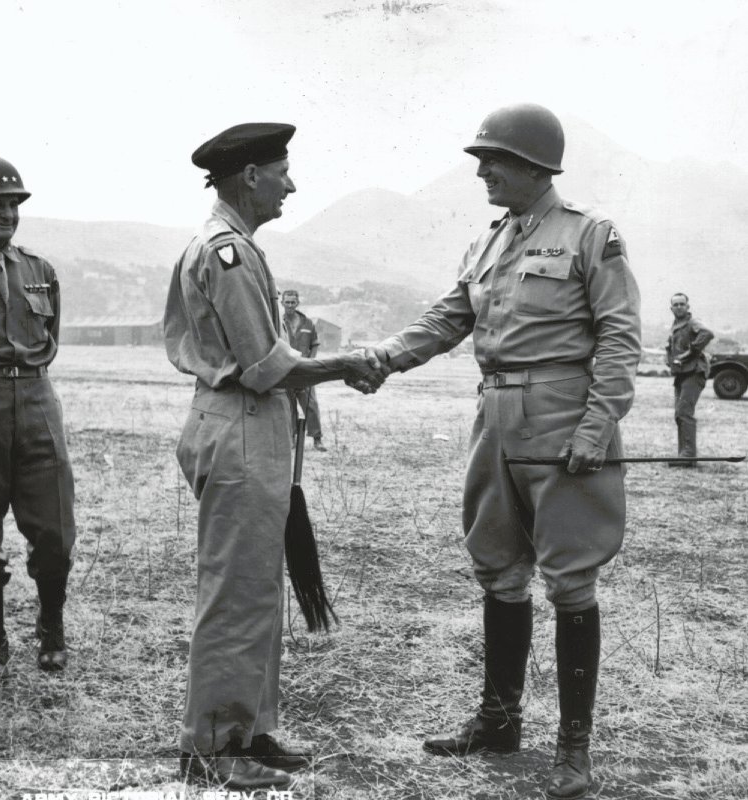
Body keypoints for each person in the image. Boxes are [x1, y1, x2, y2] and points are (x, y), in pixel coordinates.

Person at [361, 104, 641, 799]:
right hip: (493, 414)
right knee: (496, 568)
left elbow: (618, 339)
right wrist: (382, 358)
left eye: (492, 159)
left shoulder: (589, 236)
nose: (481, 171)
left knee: (570, 579)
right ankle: (498, 720)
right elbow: (448, 316)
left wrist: (595, 427)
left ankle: (572, 749)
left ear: (531, 166)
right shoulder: (488, 242)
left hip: (562, 417)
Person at [164, 122, 387, 789]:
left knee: (258, 587)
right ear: (252, 176)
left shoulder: (236, 248)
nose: (292, 182)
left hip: (250, 429)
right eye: (283, 170)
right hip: (240, 426)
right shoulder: (227, 252)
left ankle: (250, 729)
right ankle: (214, 745)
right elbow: (263, 365)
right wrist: (343, 364)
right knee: (235, 594)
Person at [0, 155, 75, 684]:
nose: (7, 213)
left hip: (36, 403)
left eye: (14, 204)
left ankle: (51, 629)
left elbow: (49, 344)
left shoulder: (40, 271)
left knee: (55, 535)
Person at [665, 293, 713, 466]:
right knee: (680, 414)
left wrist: (691, 352)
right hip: (682, 374)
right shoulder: (676, 325)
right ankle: (684, 455)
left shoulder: (693, 322)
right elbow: (671, 346)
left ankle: (687, 456)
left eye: (682, 304)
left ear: (688, 307)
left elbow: (707, 333)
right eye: (675, 305)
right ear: (671, 308)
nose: (679, 307)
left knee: (684, 412)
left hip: (695, 372)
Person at [282, 289, 326, 451]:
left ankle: (317, 439)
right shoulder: (278, 322)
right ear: (282, 303)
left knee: (310, 405)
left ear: (298, 303)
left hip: (305, 371)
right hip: (285, 370)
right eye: (287, 302)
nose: (290, 305)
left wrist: (311, 363)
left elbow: (314, 344)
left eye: (293, 302)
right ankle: (292, 439)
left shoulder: (308, 323)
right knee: (289, 406)